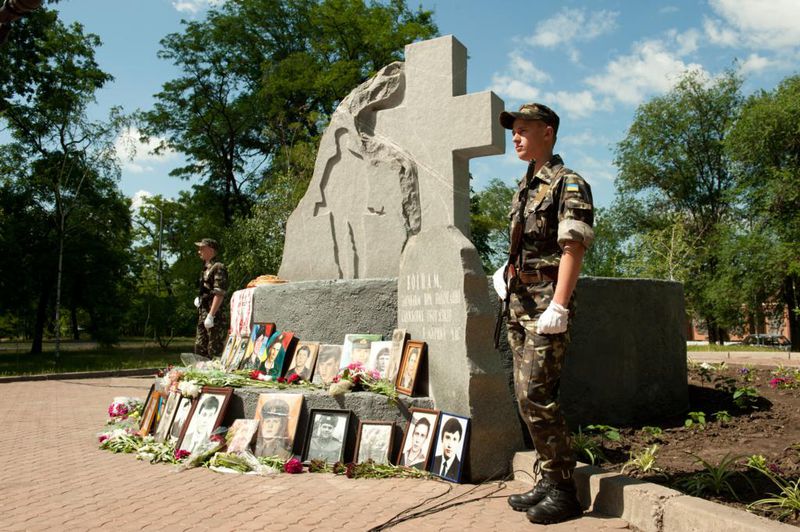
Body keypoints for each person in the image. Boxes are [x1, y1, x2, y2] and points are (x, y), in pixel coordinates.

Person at [495, 103, 594, 524]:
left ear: (548, 132)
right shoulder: (525, 186)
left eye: (522, 130)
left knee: (538, 393)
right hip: (520, 300)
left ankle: (564, 491)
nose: (514, 137)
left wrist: (559, 303)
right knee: (524, 395)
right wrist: (506, 271)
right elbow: (526, 244)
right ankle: (549, 477)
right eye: (513, 131)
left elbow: (574, 246)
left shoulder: (568, 182)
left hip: (546, 304)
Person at [194, 238, 229, 358]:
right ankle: (201, 372)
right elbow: (206, 290)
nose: (199, 251)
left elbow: (219, 293)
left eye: (202, 248)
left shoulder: (218, 267)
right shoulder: (205, 269)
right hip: (204, 311)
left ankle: (215, 374)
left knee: (214, 349)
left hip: (215, 315)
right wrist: (200, 299)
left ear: (211, 249)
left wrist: (211, 315)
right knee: (200, 347)